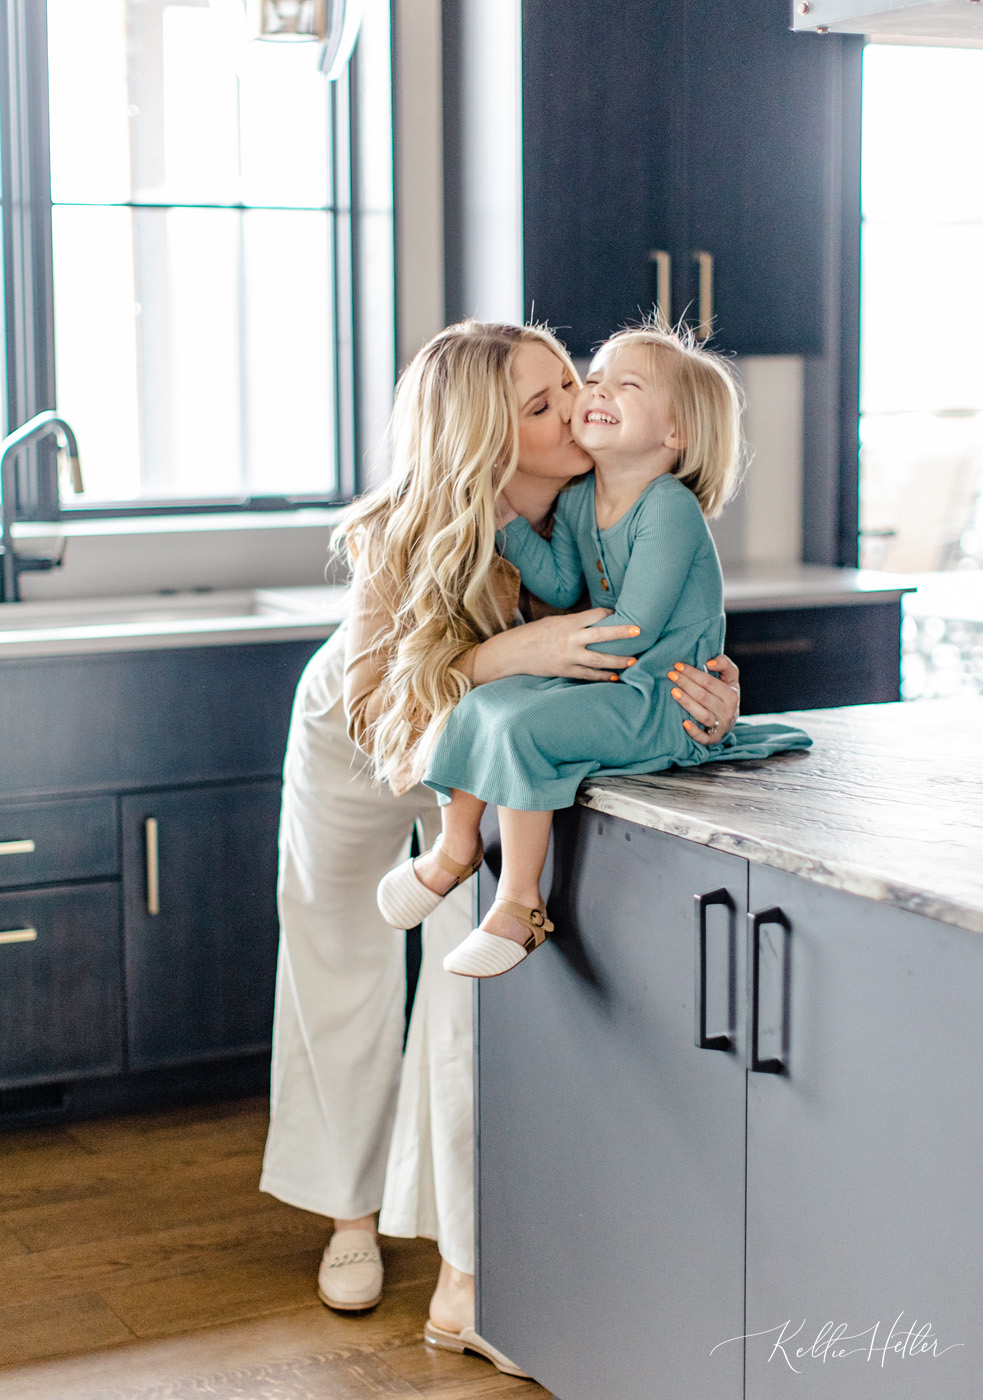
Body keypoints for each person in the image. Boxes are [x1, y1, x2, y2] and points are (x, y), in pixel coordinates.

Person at [261, 321, 743, 1373]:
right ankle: (351, 1207)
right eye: (541, 403)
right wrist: (499, 653)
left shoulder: (601, 506)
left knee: (460, 977)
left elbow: (654, 632)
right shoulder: (409, 535)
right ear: (484, 436)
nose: (574, 405)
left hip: (475, 753)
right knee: (341, 959)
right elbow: (394, 728)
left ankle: (467, 1262)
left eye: (570, 381)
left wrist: (705, 691)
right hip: (362, 732)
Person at [377, 324, 810, 978]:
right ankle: (455, 848)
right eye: (597, 376)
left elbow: (634, 629)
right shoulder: (582, 500)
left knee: (522, 725)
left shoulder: (667, 507)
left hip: (656, 699)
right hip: (609, 686)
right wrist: (509, 526)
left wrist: (570, 647)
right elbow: (558, 583)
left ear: (675, 434)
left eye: (618, 384)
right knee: (484, 703)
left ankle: (521, 905)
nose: (593, 391)